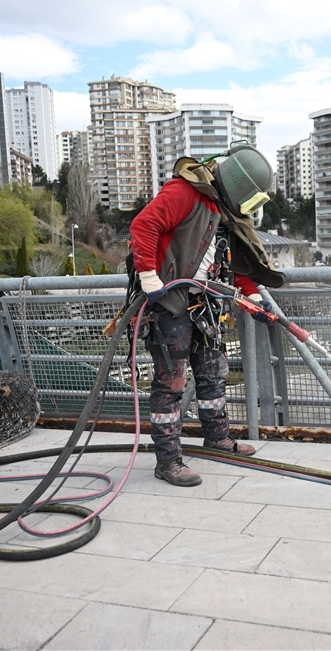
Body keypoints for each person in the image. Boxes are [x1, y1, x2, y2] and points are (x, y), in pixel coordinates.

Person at [129, 144, 284, 487]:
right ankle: (168, 461)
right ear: (239, 187)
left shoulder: (224, 211)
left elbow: (232, 265)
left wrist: (256, 297)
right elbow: (143, 226)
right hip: (170, 302)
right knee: (171, 383)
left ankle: (217, 438)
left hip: (206, 305)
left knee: (213, 375)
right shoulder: (185, 192)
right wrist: (149, 276)